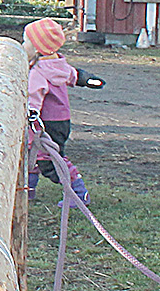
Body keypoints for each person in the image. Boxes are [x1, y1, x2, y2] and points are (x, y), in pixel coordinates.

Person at [23, 18, 104, 196]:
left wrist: (29, 114)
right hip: (61, 122)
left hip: (43, 124)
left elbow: (33, 97)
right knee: (32, 155)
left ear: (37, 48)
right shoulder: (58, 64)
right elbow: (74, 75)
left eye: (25, 42)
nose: (23, 46)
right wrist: (87, 79)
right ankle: (27, 190)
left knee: (48, 159)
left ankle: (78, 191)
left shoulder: (37, 73)